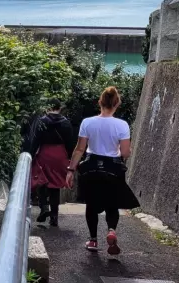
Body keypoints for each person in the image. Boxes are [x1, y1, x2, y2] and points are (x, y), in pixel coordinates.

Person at [66, 86, 140, 254]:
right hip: (112, 168)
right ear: (117, 104)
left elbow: (79, 149)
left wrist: (70, 170)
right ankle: (111, 230)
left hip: (91, 167)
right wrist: (124, 151)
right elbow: (125, 153)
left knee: (91, 205)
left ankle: (93, 240)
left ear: (100, 102)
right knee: (112, 204)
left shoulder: (87, 122)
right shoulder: (122, 125)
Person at [23, 99, 76, 226]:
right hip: (60, 156)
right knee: (55, 186)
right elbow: (70, 144)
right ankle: (54, 216)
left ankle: (44, 207)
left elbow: (35, 141)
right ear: (60, 108)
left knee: (42, 180)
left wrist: (30, 155)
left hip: (45, 154)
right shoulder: (66, 123)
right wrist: (71, 161)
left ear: (48, 108)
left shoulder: (42, 121)